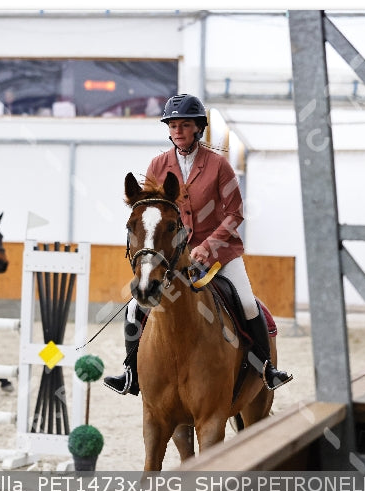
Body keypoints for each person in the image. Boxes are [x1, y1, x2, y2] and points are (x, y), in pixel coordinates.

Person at [104, 93, 293, 395]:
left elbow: (235, 214)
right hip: (174, 257)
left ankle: (266, 369)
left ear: (198, 127)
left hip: (221, 254)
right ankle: (130, 372)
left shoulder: (219, 166)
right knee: (133, 308)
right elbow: (154, 209)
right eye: (173, 125)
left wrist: (209, 245)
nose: (177, 131)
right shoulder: (158, 164)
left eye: (184, 125)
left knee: (246, 302)